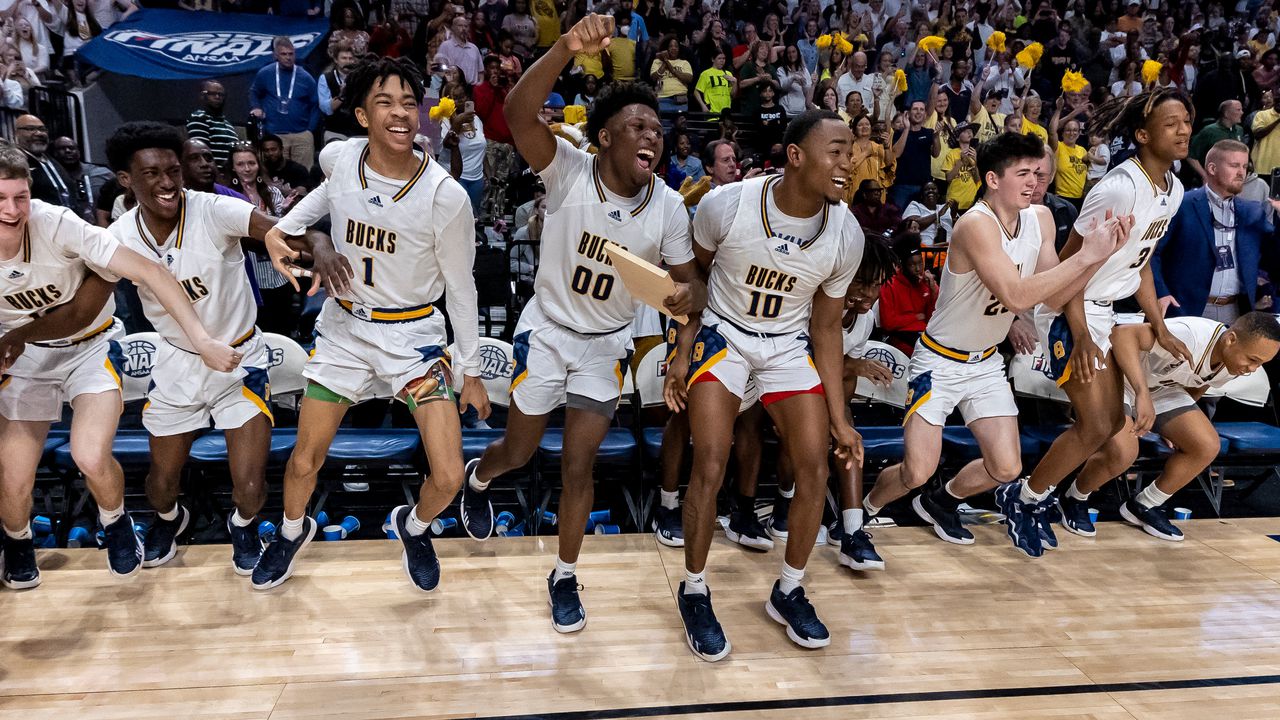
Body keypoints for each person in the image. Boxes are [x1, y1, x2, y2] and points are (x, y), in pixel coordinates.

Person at [460, 15, 702, 634]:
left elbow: (690, 287)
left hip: (604, 346)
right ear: (602, 139)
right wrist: (567, 47)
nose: (651, 134)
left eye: (656, 126)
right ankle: (479, 478)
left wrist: (680, 307)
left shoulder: (671, 207)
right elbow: (517, 114)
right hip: (547, 331)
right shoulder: (569, 171)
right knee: (517, 450)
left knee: (578, 466)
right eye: (635, 126)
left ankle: (564, 575)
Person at [259, 56, 490, 592]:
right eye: (385, 102)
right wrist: (306, 238)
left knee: (451, 474)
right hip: (347, 331)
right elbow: (308, 217)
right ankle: (293, 530)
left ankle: (413, 526)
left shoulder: (445, 197)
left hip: (414, 337)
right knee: (303, 460)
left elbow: (463, 290)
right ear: (362, 115)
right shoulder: (341, 157)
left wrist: (472, 369)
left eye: (410, 102)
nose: (401, 113)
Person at [862, 132, 1129, 551]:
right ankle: (864, 509)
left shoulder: (1039, 219)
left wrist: (1103, 253)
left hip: (985, 363)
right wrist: (1085, 254)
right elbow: (1018, 295)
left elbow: (1055, 297)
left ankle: (942, 500)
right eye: (1022, 173)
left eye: (1037, 173)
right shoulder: (974, 225)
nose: (1033, 181)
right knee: (916, 470)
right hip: (940, 362)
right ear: (991, 178)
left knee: (1006, 468)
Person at [665, 110, 864, 660]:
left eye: (851, 152)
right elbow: (692, 279)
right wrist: (681, 353)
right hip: (725, 332)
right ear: (796, 155)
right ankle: (696, 588)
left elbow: (825, 328)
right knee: (711, 458)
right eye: (836, 150)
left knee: (816, 463)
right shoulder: (726, 204)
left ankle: (790, 588)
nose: (847, 161)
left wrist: (841, 419)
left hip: (785, 343)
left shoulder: (846, 233)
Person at [0, 143, 240, 589]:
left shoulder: (56, 223)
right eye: (1, 200)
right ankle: (17, 540)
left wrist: (201, 338)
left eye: (20, 196)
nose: (14, 210)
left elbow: (150, 272)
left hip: (88, 348)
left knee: (89, 454)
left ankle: (115, 522)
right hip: (26, 358)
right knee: (13, 477)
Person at [1011, 89, 1194, 558]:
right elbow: (1069, 269)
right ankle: (1025, 500)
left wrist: (1161, 325)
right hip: (1067, 307)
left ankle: (1034, 496)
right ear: (1142, 134)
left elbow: (1141, 262)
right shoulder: (1118, 188)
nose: (1184, 129)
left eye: (1186, 121)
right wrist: (1080, 335)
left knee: (1114, 421)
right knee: (1095, 425)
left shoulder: (1172, 190)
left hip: (1104, 310)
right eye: (1171, 122)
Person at [104, 122, 279, 573]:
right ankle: (168, 519)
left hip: (239, 358)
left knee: (251, 486)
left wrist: (313, 243)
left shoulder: (214, 209)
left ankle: (242, 525)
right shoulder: (119, 235)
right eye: (152, 174)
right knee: (161, 482)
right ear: (126, 180)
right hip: (178, 360)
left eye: (173, 170)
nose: (167, 182)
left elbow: (276, 231)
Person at [1057, 312, 1280, 541]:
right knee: (1124, 452)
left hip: (1161, 388)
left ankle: (1144, 504)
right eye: (1253, 359)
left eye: (1261, 363)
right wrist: (1142, 394)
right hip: (1119, 376)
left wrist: (1174, 426)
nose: (1253, 368)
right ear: (1231, 339)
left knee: (1205, 444)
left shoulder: (1234, 362)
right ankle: (1074, 497)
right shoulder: (1191, 335)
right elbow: (1122, 335)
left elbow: (1200, 383)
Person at [1153, 140, 1280, 323]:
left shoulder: (1251, 211)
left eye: (1244, 166)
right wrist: (1161, 293)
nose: (1241, 173)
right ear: (1212, 169)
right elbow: (1153, 254)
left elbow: (1274, 261)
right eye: (1234, 165)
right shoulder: (1181, 204)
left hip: (1237, 312)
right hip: (1187, 310)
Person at [249, 37, 319, 170]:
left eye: (291, 54)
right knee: (278, 172)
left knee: (304, 173)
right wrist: (256, 107)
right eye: (283, 54)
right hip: (275, 134)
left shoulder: (305, 77)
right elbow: (253, 92)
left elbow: (316, 104)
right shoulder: (266, 73)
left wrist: (310, 130)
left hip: (301, 135)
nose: (288, 57)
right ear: (275, 55)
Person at [877, 240, 936, 354]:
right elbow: (888, 324)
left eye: (920, 263)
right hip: (900, 336)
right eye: (912, 265)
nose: (918, 269)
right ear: (902, 265)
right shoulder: (889, 285)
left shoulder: (925, 283)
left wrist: (933, 291)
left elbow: (931, 319)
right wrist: (915, 317)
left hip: (925, 334)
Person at [890, 98, 941, 210]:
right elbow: (896, 154)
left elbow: (936, 153)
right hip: (902, 185)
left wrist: (936, 137)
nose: (918, 112)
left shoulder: (928, 133)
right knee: (899, 219)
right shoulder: (898, 133)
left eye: (921, 109)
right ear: (908, 113)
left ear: (925, 114)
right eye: (915, 109)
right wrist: (907, 128)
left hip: (924, 185)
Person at [51, 136, 112, 225]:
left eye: (72, 148)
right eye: (62, 148)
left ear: (79, 152)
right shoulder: (50, 179)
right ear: (54, 153)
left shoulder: (103, 173)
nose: (68, 151)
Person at [13, 114, 70, 208]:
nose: (39, 133)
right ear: (16, 133)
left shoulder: (53, 161)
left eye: (42, 129)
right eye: (30, 129)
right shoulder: (14, 163)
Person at [185, 81, 240, 172]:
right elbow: (203, 155)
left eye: (221, 94)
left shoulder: (228, 124)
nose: (217, 97)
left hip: (232, 175)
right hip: (215, 177)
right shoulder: (199, 118)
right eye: (212, 94)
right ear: (202, 96)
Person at [1188, 100, 1247, 184]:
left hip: (1233, 181)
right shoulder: (1209, 131)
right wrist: (1204, 175)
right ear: (1226, 114)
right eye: (1238, 110)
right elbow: (1191, 156)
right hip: (1213, 181)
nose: (1242, 112)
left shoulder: (1239, 130)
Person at [319, 44, 362, 144]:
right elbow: (327, 110)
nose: (347, 61)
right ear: (336, 60)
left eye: (350, 58)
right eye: (343, 58)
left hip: (358, 131)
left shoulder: (361, 76)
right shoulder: (326, 78)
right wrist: (342, 95)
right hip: (335, 131)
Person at [651, 34, 694, 115]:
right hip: (662, 99)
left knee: (680, 125)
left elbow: (689, 79)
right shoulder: (657, 62)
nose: (673, 48)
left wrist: (671, 67)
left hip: (680, 99)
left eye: (676, 46)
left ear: (679, 49)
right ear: (666, 48)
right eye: (670, 46)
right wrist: (665, 61)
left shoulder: (684, 63)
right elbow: (654, 77)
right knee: (664, 124)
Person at [941, 122, 979, 211]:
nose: (969, 133)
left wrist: (976, 162)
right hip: (954, 201)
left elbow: (978, 180)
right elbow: (948, 178)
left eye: (970, 131)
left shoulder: (975, 153)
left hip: (971, 202)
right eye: (965, 131)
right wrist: (960, 163)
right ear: (958, 138)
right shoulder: (952, 154)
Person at [903, 181, 952, 247]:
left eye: (933, 189)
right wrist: (938, 214)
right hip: (924, 250)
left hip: (947, 250)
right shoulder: (915, 205)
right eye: (926, 189)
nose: (930, 191)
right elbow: (913, 225)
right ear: (921, 195)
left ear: (938, 195)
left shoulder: (946, 207)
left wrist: (954, 211)